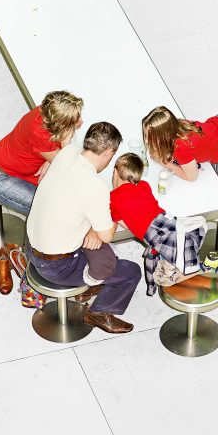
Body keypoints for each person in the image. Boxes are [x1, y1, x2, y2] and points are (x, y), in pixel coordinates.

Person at [26, 122, 142, 334]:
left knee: (102, 253)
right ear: (109, 152)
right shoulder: (94, 186)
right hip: (57, 266)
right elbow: (106, 235)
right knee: (131, 272)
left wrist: (92, 228)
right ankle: (98, 313)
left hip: (32, 246)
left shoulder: (66, 154)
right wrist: (116, 201)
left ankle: (90, 287)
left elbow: (74, 200)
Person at [110, 153, 218, 293]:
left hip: (164, 239)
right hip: (173, 225)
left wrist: (114, 193)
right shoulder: (144, 186)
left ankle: (211, 265)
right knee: (176, 265)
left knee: (164, 280)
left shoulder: (113, 199)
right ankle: (217, 266)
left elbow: (124, 224)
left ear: (115, 172)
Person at [0, 90, 84, 216]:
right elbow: (69, 166)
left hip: (23, 169)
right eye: (74, 120)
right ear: (59, 124)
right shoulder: (40, 133)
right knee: (50, 212)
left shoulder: (47, 111)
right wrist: (65, 143)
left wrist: (49, 159)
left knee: (71, 198)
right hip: (0, 176)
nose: (81, 122)